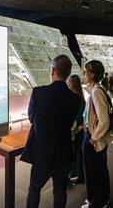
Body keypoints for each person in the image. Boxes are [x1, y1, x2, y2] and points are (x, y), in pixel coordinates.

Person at [21, 55, 81, 208]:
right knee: (60, 190)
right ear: (68, 74)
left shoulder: (38, 92)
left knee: (34, 189)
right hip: (64, 152)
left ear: (53, 70)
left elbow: (31, 116)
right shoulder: (75, 99)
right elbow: (69, 120)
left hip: (42, 153)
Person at [82, 60, 110, 208]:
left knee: (93, 172)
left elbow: (104, 120)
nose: (84, 75)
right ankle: (101, 200)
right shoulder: (97, 89)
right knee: (99, 170)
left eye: (86, 72)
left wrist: (92, 139)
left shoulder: (96, 92)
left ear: (92, 74)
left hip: (93, 136)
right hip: (95, 135)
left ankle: (96, 202)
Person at [67, 75, 86, 184]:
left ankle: (78, 175)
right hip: (79, 130)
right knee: (77, 152)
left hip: (75, 130)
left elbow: (76, 117)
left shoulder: (75, 98)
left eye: (69, 83)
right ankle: (78, 174)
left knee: (76, 153)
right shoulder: (81, 98)